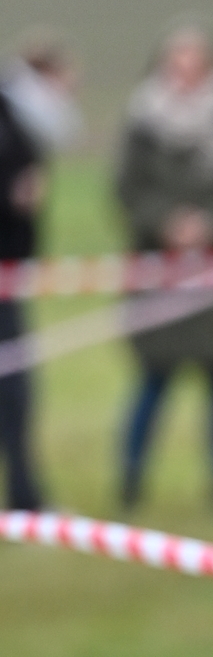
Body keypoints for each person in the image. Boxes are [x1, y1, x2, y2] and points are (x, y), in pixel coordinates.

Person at [112, 23, 213, 509]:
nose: (185, 74)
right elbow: (126, 189)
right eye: (176, 64)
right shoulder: (143, 121)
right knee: (153, 379)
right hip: (160, 271)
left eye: (195, 65)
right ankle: (130, 482)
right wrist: (166, 223)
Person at [0, 31, 82, 514]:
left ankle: (24, 494)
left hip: (10, 277)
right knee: (13, 391)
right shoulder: (10, 119)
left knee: (16, 394)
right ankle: (25, 497)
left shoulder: (16, 121)